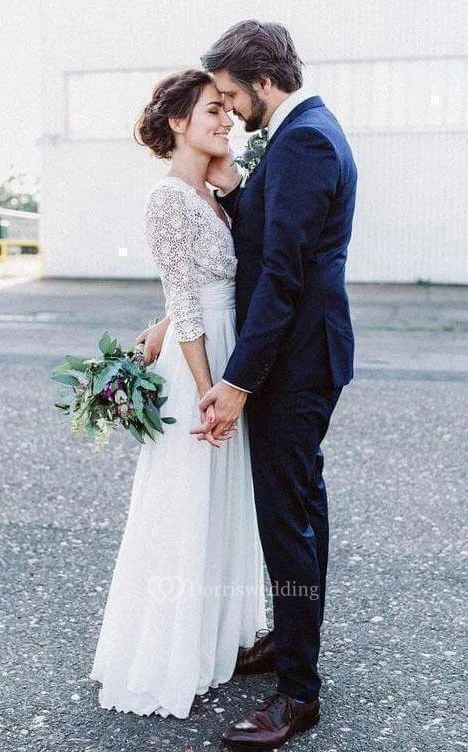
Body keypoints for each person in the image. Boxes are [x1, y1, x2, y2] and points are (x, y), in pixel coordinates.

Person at [192, 19, 357, 750]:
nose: (230, 108)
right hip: (307, 356)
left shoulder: (304, 141)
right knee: (302, 508)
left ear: (264, 81)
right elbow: (272, 238)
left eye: (232, 95)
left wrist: (236, 382)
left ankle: (297, 694)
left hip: (294, 365)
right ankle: (293, 640)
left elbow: (280, 277)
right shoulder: (304, 132)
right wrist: (235, 191)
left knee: (286, 519)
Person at [89, 68, 267, 721]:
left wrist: (163, 328)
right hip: (203, 364)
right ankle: (165, 653)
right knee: (185, 503)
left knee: (220, 500)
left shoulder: (209, 194)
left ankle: (210, 638)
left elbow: (192, 287)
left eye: (228, 110)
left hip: (220, 350)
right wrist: (206, 391)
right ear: (178, 122)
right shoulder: (168, 198)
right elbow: (187, 301)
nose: (227, 120)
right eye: (213, 110)